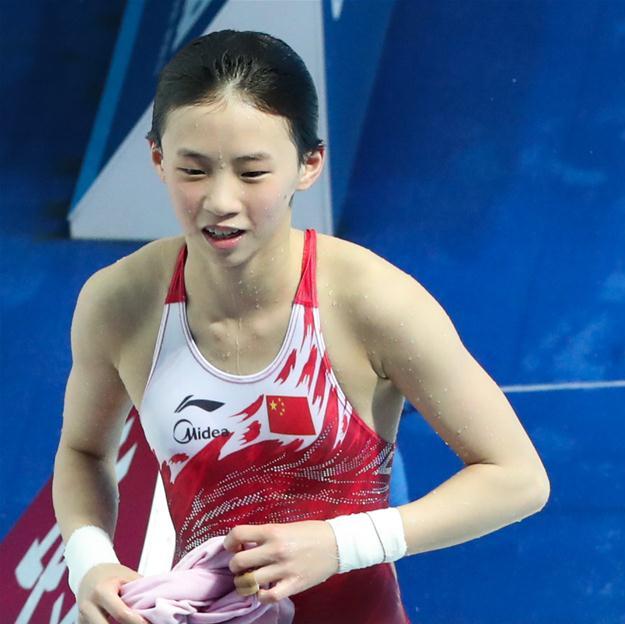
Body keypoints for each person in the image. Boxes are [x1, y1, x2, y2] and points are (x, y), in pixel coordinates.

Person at [52, 29, 550, 624]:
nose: (220, 201)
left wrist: (341, 544)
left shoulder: (371, 302)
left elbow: (518, 478)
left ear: (308, 164)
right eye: (193, 170)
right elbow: (83, 450)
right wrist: (90, 562)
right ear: (158, 159)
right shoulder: (120, 303)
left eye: (252, 173)